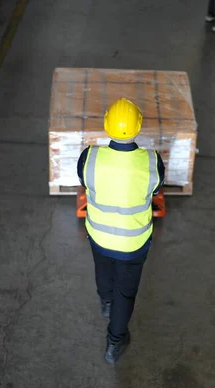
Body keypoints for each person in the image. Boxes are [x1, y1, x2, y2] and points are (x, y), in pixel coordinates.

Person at [77, 98, 165, 364]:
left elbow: (84, 182)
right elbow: (156, 191)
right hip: (132, 243)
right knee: (125, 292)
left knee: (103, 269)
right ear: (138, 126)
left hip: (98, 236)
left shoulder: (89, 156)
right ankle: (114, 343)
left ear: (106, 125)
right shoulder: (151, 161)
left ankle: (105, 302)